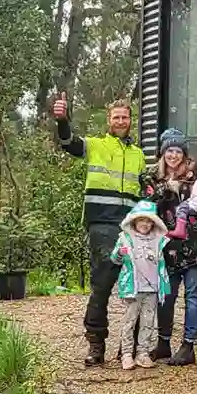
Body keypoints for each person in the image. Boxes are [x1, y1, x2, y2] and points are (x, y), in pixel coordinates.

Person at [53, 94, 149, 367]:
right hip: (102, 226)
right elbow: (69, 143)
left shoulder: (138, 155)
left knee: (137, 289)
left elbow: (146, 188)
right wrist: (62, 120)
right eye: (116, 117)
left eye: (125, 117)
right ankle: (96, 346)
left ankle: (128, 348)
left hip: (132, 228)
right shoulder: (95, 145)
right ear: (108, 121)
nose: (121, 121)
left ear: (131, 121)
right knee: (102, 286)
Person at [139, 129, 197, 367]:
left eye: (178, 151)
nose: (173, 155)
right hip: (167, 245)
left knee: (193, 297)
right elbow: (146, 203)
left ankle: (188, 346)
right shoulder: (153, 177)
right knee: (166, 296)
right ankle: (163, 342)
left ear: (184, 154)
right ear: (163, 153)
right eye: (169, 150)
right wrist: (166, 188)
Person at [109, 200, 171, 370]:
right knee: (130, 321)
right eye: (142, 220)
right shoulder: (126, 239)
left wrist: (162, 286)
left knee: (148, 321)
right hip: (133, 288)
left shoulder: (158, 240)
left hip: (151, 288)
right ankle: (127, 353)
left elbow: (161, 264)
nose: (145, 224)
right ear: (134, 221)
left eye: (149, 221)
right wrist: (120, 253)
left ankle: (142, 353)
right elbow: (114, 259)